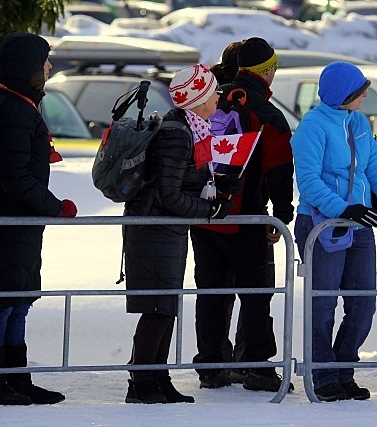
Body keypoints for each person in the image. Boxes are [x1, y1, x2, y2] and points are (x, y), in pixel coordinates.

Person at [290, 61, 377, 402]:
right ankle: (324, 376)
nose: (366, 94)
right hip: (323, 223)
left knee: (363, 306)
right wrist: (342, 208)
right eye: (361, 90)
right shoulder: (311, 127)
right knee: (322, 305)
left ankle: (343, 370)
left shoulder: (360, 122)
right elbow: (308, 181)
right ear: (343, 94)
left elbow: (376, 171)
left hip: (360, 224)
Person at [0, 32, 78, 407]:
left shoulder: (20, 103)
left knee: (20, 299)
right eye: (43, 61)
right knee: (2, 300)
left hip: (22, 222)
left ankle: (17, 378)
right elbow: (14, 177)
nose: (49, 67)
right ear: (27, 67)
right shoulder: (12, 107)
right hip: (8, 222)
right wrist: (55, 206)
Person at [123, 64, 234, 404]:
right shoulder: (177, 133)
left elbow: (183, 183)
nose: (219, 98)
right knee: (157, 308)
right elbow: (168, 195)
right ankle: (141, 382)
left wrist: (219, 190)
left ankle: (158, 378)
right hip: (154, 228)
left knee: (166, 306)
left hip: (166, 228)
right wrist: (210, 211)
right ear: (199, 98)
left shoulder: (190, 128)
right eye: (214, 92)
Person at [191, 37, 295, 393]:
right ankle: (258, 368)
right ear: (267, 71)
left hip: (204, 213)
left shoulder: (212, 101)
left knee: (211, 292)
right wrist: (282, 214)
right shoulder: (267, 113)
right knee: (255, 293)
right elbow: (279, 169)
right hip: (246, 217)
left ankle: (210, 365)